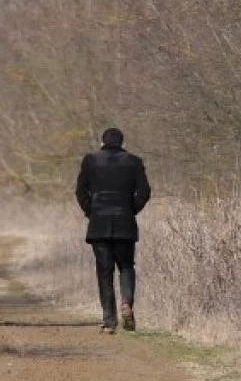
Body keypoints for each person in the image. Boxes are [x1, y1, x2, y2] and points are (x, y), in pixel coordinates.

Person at [75, 127, 151, 334]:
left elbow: (80, 190)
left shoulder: (90, 160)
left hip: (99, 224)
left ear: (103, 142)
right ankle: (126, 302)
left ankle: (109, 322)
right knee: (126, 266)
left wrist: (91, 210)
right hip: (125, 223)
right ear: (121, 142)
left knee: (104, 273)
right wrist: (130, 209)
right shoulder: (134, 161)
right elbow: (145, 191)